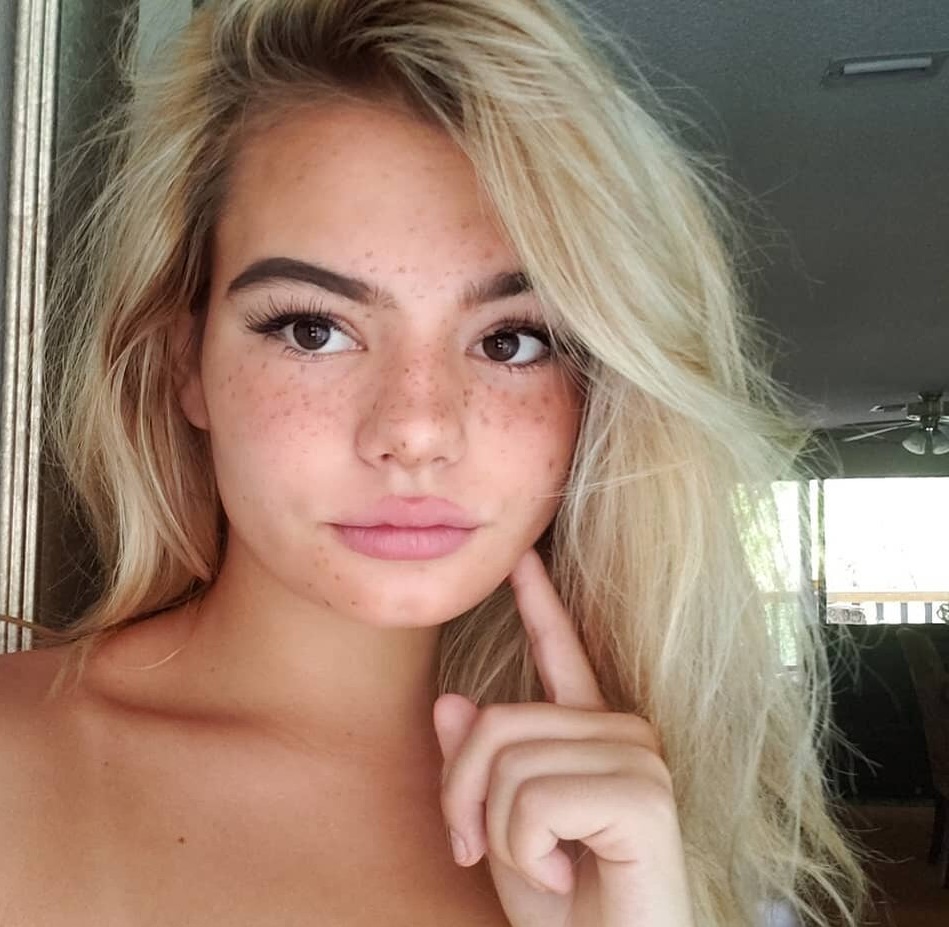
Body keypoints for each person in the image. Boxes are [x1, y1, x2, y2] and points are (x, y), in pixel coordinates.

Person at [0, 0, 867, 924]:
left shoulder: (686, 847)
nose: (416, 429)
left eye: (510, 341)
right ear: (188, 366)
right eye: (313, 329)